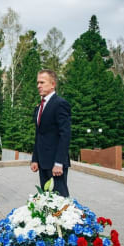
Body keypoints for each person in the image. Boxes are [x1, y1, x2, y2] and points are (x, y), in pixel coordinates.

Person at [31, 69, 71, 197]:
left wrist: (59, 163)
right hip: (42, 162)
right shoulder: (39, 107)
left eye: (42, 82)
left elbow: (65, 135)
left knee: (60, 200)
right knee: (46, 199)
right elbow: (39, 134)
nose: (38, 86)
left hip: (56, 164)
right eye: (38, 83)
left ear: (53, 84)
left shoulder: (60, 104)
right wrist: (35, 159)